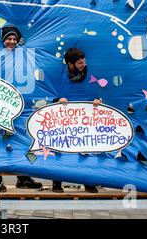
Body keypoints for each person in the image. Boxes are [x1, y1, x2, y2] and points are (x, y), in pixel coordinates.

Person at [0, 26, 43, 193]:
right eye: (8, 39)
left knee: (21, 140)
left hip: (20, 105)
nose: (11, 42)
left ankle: (23, 177)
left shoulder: (22, 55)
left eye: (14, 39)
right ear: (2, 40)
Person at [51, 48, 101, 193]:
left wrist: (97, 100)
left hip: (84, 119)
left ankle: (87, 181)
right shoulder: (59, 74)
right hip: (64, 117)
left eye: (83, 61)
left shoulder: (89, 74)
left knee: (84, 149)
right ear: (70, 65)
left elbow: (98, 91)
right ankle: (57, 182)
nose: (83, 64)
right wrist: (57, 99)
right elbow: (50, 91)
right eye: (79, 63)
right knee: (60, 147)